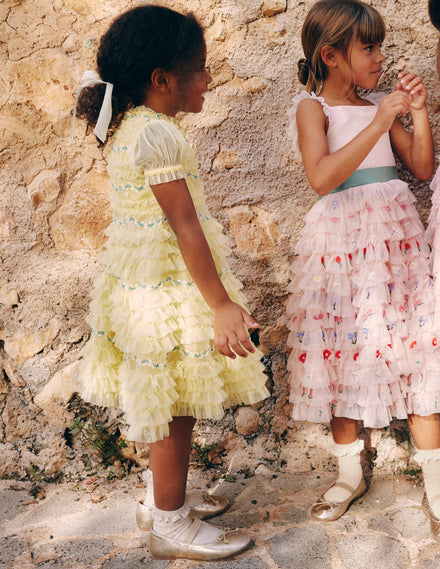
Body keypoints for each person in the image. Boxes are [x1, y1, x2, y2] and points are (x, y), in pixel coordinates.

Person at [73, 5, 269, 560]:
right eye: (201, 68)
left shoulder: (137, 126)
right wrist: (222, 305)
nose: (210, 78)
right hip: (168, 288)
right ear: (162, 79)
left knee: (170, 397)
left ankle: (159, 499)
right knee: (174, 406)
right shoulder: (157, 137)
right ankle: (169, 524)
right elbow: (184, 225)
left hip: (146, 283)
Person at [285, 0, 440, 541]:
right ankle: (350, 470)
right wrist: (377, 119)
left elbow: (421, 168)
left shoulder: (379, 104)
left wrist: (415, 112)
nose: (379, 57)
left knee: (417, 346)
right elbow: (323, 178)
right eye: (367, 47)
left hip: (395, 246)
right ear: (330, 56)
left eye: (378, 45)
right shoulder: (313, 110)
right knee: (339, 348)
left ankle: (435, 478)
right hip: (342, 247)